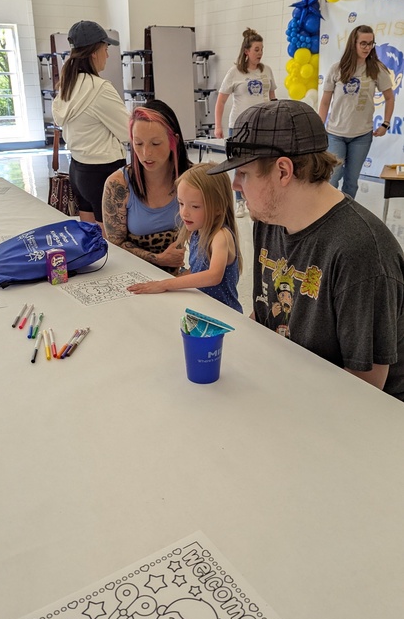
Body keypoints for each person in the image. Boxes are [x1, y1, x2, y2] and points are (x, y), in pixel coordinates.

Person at [207, 100, 404, 401]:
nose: (235, 185)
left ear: (283, 171)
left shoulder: (361, 253)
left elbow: (366, 387)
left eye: (244, 173)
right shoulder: (271, 218)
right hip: (289, 380)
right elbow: (263, 314)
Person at [128, 161, 243, 312]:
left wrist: (165, 285)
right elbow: (196, 271)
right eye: (181, 204)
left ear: (218, 209)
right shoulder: (197, 231)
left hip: (225, 317)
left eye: (195, 206)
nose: (184, 213)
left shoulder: (221, 236)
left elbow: (214, 275)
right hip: (202, 310)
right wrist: (164, 284)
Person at [52, 20, 130, 231]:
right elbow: (128, 131)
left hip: (79, 170)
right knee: (111, 244)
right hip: (104, 173)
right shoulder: (100, 89)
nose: (108, 54)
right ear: (95, 51)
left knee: (90, 239)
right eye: (106, 48)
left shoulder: (67, 85)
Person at [103, 99, 190, 273]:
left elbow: (215, 238)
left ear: (175, 141)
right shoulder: (118, 185)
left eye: (156, 143)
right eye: (138, 143)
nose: (146, 153)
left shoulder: (192, 179)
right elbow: (115, 244)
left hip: (179, 279)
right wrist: (160, 259)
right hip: (132, 275)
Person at [318, 24, 394, 199]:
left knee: (351, 181)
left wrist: (385, 123)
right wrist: (319, 127)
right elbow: (325, 102)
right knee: (332, 178)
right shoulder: (337, 69)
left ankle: (347, 218)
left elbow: (389, 97)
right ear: (354, 43)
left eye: (371, 44)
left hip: (362, 136)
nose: (367, 48)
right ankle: (325, 215)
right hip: (335, 134)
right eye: (363, 43)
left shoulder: (377, 69)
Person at [214, 28, 276, 217]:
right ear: (246, 51)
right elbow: (221, 101)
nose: (260, 53)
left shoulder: (266, 71)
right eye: (257, 49)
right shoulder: (235, 72)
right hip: (240, 126)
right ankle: (240, 201)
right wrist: (218, 125)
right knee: (240, 163)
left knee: (262, 163)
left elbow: (273, 98)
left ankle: (260, 197)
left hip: (263, 125)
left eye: (262, 49)